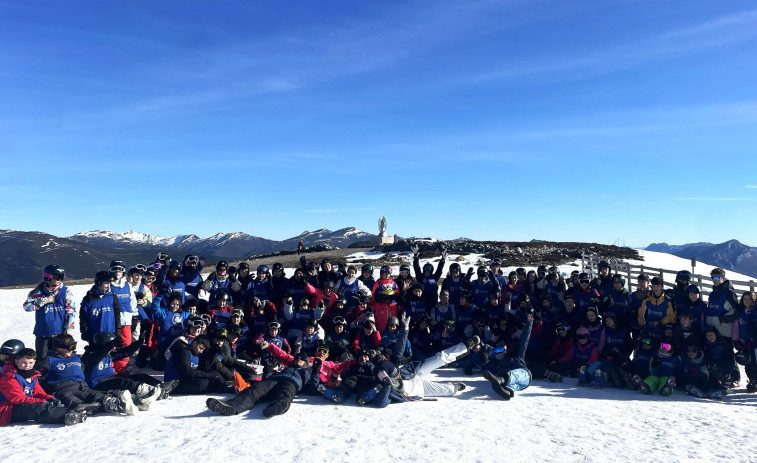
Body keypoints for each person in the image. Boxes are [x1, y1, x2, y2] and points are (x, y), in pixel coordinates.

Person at [366, 313, 474, 407]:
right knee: (447, 391)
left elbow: (399, 348)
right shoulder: (382, 386)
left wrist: (405, 330)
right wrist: (387, 385)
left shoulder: (391, 364)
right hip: (418, 388)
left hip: (416, 371)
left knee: (440, 357)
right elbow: (381, 403)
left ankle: (466, 346)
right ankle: (454, 387)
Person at [37, 334, 138, 416]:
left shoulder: (77, 358)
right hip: (62, 390)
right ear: (58, 348)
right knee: (71, 400)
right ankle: (85, 408)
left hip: (82, 387)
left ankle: (117, 402)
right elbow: (37, 381)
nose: (72, 350)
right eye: (70, 347)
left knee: (95, 395)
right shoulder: (48, 361)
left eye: (74, 346)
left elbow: (95, 358)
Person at [206, 350, 320, 417]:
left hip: (291, 383)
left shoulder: (308, 372)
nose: (299, 359)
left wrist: (316, 372)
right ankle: (232, 406)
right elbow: (266, 378)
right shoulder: (287, 368)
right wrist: (268, 370)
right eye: (297, 358)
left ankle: (277, 406)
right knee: (256, 389)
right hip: (275, 380)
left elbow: (312, 389)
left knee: (286, 391)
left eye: (302, 359)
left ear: (306, 362)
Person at [0, 347, 86, 426]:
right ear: (16, 361)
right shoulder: (9, 377)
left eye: (30, 363)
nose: (27, 366)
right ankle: (66, 416)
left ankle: (72, 411)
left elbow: (38, 392)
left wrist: (49, 398)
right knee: (38, 408)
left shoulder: (32, 375)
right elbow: (18, 399)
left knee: (54, 400)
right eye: (23, 362)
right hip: (7, 409)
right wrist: (43, 401)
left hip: (22, 404)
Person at [23, 264, 76, 358]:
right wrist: (43, 301)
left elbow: (70, 311)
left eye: (61, 277)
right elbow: (27, 306)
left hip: (60, 334)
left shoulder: (65, 292)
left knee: (60, 359)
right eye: (56, 277)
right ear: (48, 277)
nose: (59, 279)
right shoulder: (39, 292)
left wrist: (69, 328)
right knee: (42, 360)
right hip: (43, 334)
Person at [481, 312, 535, 400]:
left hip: (525, 375)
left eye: (501, 350)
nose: (498, 353)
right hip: (518, 384)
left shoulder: (518, 356)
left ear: (505, 351)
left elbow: (524, 340)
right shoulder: (496, 363)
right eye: (496, 351)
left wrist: (529, 324)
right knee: (511, 385)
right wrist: (484, 357)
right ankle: (508, 391)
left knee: (514, 375)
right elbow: (483, 364)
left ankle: (500, 379)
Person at [80, 270, 121, 344]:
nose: (108, 286)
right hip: (95, 335)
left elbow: (117, 314)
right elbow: (83, 318)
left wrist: (118, 329)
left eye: (109, 283)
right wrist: (84, 332)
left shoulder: (112, 297)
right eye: (106, 283)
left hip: (110, 334)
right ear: (99, 282)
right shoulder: (88, 299)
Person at [706, 268, 739, 339]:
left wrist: (723, 319)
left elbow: (736, 311)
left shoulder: (729, 293)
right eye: (712, 277)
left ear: (723, 279)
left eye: (717, 277)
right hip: (712, 331)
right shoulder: (712, 294)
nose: (714, 280)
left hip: (724, 332)